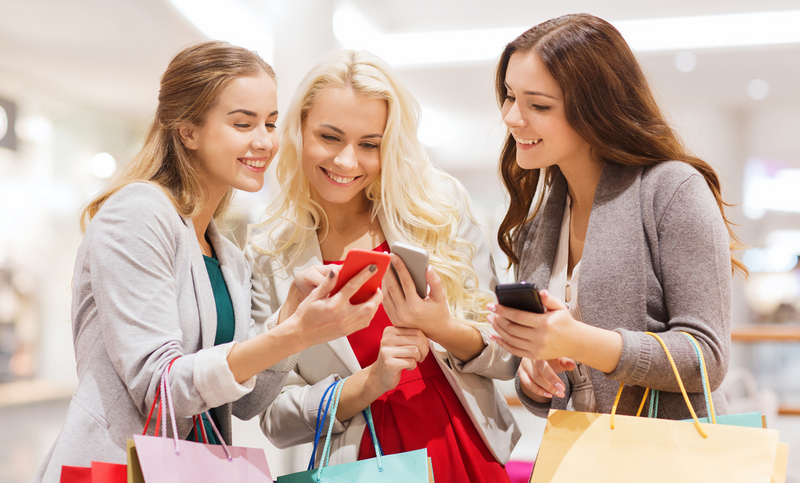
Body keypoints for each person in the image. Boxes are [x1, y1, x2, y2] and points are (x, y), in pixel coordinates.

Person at [33, 41, 380, 483]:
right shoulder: (139, 212)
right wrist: (293, 334)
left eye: (271, 123)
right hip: (117, 467)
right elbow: (159, 389)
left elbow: (243, 403)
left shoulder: (228, 256)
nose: (264, 141)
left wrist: (287, 322)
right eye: (243, 123)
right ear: (188, 131)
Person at [246, 49, 520, 482]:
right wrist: (370, 382)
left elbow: (508, 357)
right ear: (298, 131)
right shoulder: (270, 254)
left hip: (460, 446)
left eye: (369, 144)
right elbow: (272, 416)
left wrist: (442, 326)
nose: (347, 161)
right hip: (359, 464)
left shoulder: (437, 212)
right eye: (330, 137)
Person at [488, 13, 744, 421]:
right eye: (509, 95)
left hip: (668, 457)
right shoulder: (542, 221)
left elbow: (707, 358)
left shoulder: (672, 189)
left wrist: (582, 341)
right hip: (585, 454)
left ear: (596, 109)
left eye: (538, 104)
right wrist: (535, 374)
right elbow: (556, 384)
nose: (512, 117)